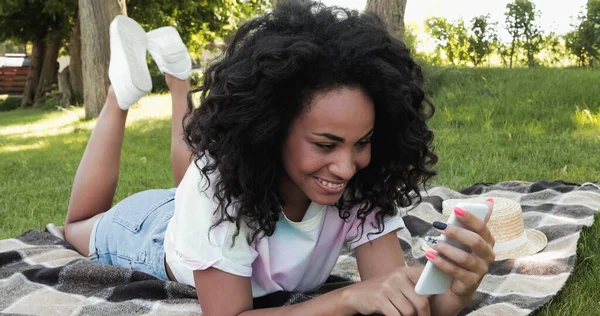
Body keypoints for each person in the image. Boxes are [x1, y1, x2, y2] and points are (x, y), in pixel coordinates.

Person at [63, 1, 496, 315]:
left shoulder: (362, 183)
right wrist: (345, 298)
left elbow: (402, 301)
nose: (346, 167)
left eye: (361, 142)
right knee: (77, 224)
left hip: (199, 212)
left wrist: (458, 286)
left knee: (192, 181)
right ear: (269, 129)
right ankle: (119, 95)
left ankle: (178, 82)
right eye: (325, 145)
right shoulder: (218, 187)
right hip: (152, 235)